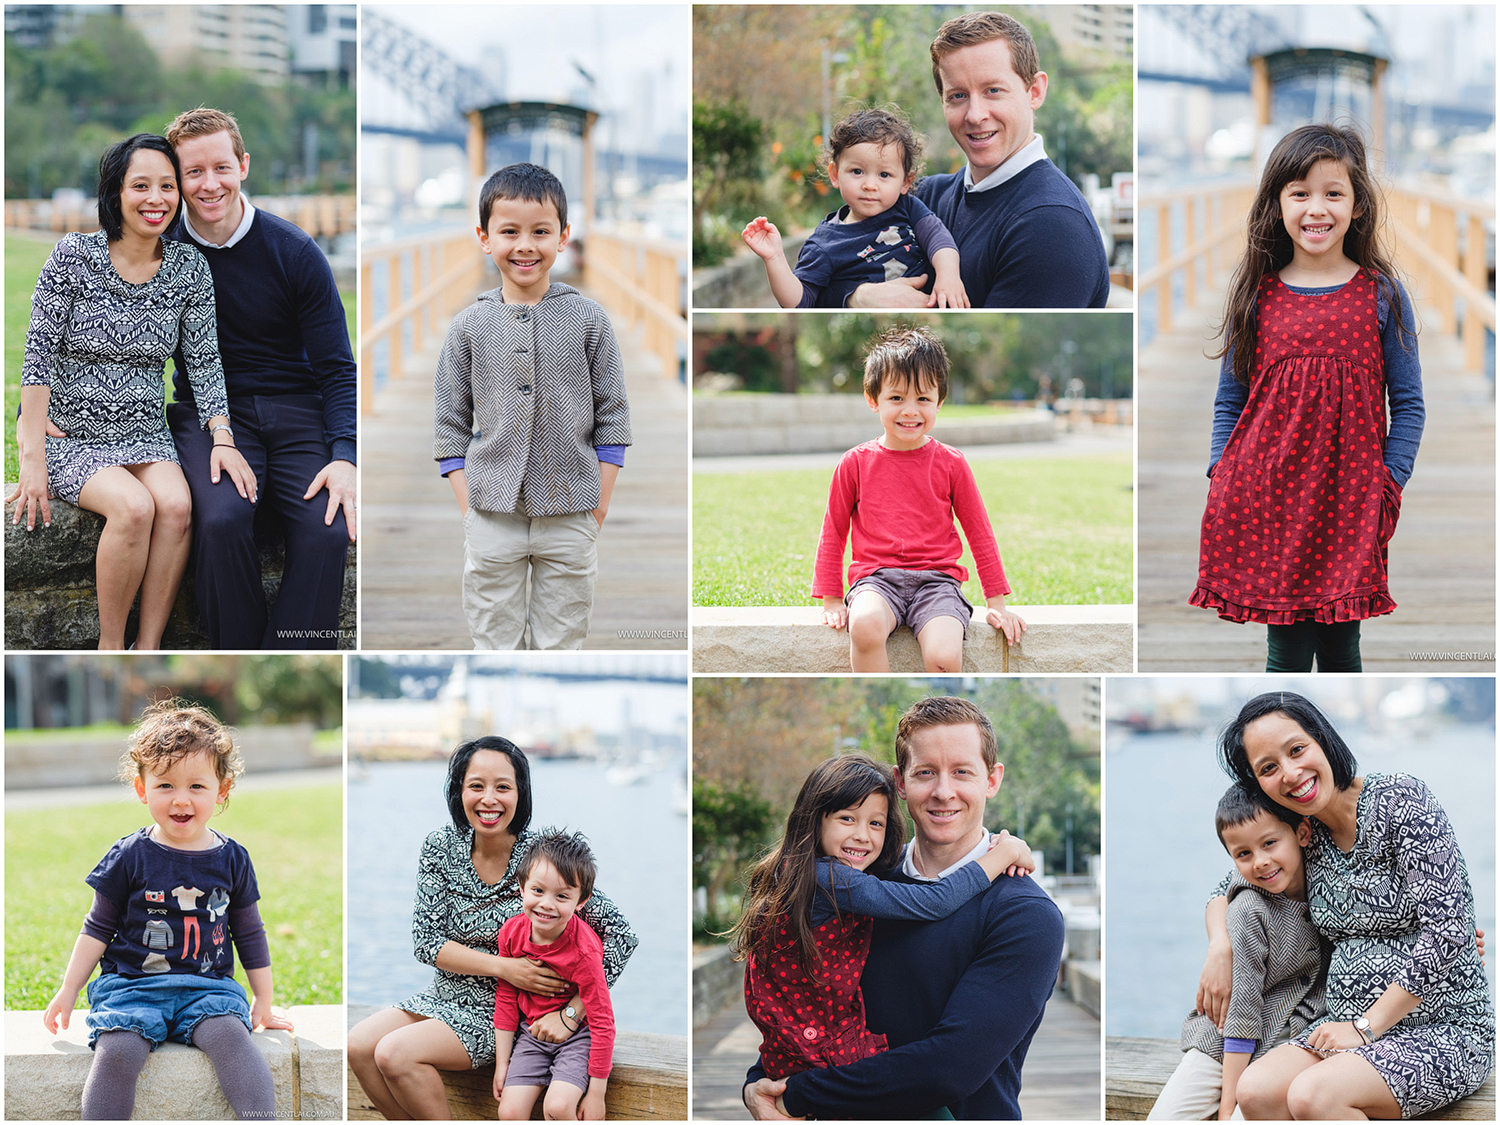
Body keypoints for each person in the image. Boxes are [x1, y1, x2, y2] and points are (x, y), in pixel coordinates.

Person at [744, 696, 1065, 1120]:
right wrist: (759, 1082)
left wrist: (797, 1095)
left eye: (962, 772)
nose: (943, 792)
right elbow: (806, 1000)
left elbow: (947, 1070)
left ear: (992, 779)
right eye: (926, 773)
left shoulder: (1025, 914)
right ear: (900, 782)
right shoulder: (862, 883)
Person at [1189, 124, 1424, 672]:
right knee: (1286, 650)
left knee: (1343, 647)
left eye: (1333, 193)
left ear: (1358, 205)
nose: (1316, 209)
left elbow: (1409, 403)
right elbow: (1231, 399)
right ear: (1276, 204)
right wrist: (1220, 470)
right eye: (1299, 193)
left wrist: (1389, 482)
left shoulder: (1382, 295)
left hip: (1352, 498)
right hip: (1268, 496)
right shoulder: (1258, 293)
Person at [1196, 692, 1491, 1119]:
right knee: (1256, 1091)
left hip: (1442, 1029)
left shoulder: (1399, 800)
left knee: (1312, 1097)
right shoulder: (1302, 833)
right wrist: (1220, 946)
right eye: (1268, 768)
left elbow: (1449, 929)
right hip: (1342, 1029)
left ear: (1323, 739)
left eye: (1297, 750)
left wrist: (1366, 1027)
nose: (1291, 774)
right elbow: (1221, 891)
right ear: (1257, 783)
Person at [9, 134, 249, 651]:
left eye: (167, 186)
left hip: (144, 432)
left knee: (177, 507)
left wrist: (222, 436)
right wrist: (31, 455)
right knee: (135, 508)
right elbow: (37, 356)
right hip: (73, 434)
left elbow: (205, 363)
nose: (156, 199)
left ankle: (149, 643)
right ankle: (112, 646)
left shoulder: (189, 269)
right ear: (115, 193)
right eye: (140, 186)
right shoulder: (74, 256)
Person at [347, 738, 638, 1121]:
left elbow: (621, 936)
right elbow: (427, 942)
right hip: (445, 994)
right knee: (358, 1045)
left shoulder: (542, 858)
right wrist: (506, 966)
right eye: (476, 786)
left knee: (393, 1053)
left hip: (507, 1011)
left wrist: (571, 1013)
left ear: (521, 794)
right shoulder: (440, 847)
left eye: (503, 787)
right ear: (459, 791)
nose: (489, 799)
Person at [162, 107, 357, 650]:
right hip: (210, 414)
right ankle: (241, 652)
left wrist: (344, 456)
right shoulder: (162, 253)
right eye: (192, 173)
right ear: (177, 181)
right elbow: (102, 338)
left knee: (328, 527)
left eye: (221, 167)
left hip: (299, 410)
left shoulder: (294, 251)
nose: (209, 184)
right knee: (222, 520)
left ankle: (293, 651)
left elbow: (338, 368)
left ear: (243, 165)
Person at [41, 701, 293, 1120]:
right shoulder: (129, 856)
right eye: (165, 786)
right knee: (117, 1054)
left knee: (236, 1045)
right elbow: (97, 927)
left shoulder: (232, 859)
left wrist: (264, 998)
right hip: (132, 987)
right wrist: (69, 990)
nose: (181, 800)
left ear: (222, 790)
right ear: (142, 789)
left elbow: (248, 932)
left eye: (197, 786)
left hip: (208, 990)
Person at [732, 753, 1033, 1091]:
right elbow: (933, 902)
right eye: (847, 818)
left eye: (875, 823)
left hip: (797, 1044)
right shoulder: (833, 878)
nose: (862, 836)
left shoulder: (799, 872)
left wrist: (755, 1082)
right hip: (822, 1050)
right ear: (815, 820)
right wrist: (1002, 855)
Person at [434, 163, 633, 650]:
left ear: (563, 237)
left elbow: (614, 414)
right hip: (490, 514)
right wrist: (468, 509)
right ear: (485, 237)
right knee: (492, 639)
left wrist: (599, 505)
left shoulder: (588, 319)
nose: (525, 245)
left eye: (541, 232)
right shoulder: (468, 326)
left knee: (563, 639)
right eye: (509, 232)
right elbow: (449, 423)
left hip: (572, 510)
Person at [847, 12, 1110, 309]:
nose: (975, 115)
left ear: (1034, 91)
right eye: (958, 95)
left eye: (993, 91)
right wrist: (859, 297)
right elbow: (821, 272)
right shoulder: (924, 197)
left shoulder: (1051, 225)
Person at [812, 325, 1026, 673]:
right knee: (864, 626)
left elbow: (979, 532)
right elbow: (833, 531)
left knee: (943, 657)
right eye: (896, 398)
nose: (910, 410)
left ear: (940, 402)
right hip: (876, 581)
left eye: (923, 399)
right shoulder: (854, 463)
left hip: (938, 583)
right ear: (872, 400)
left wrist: (997, 603)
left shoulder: (951, 462)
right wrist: (833, 598)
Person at [1147, 786, 1324, 1121]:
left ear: (1302, 833)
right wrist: (1228, 1104)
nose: (1260, 862)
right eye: (1243, 854)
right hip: (1225, 1042)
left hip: (1291, 1041)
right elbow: (1241, 1014)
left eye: (1270, 843)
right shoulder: (1248, 909)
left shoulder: (1328, 884)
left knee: (1254, 1110)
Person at [740, 107, 968, 309]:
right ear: (835, 174)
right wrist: (775, 258)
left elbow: (939, 239)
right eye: (857, 171)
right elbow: (800, 302)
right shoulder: (825, 244)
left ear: (905, 183)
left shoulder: (907, 207)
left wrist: (949, 277)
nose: (869, 185)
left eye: (884, 175)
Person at [492, 831, 614, 1121]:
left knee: (557, 1108)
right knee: (509, 1112)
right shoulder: (511, 933)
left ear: (581, 901)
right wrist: (501, 1064)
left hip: (578, 1039)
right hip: (530, 1037)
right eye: (538, 891)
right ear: (522, 887)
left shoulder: (583, 951)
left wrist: (597, 1093)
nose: (547, 904)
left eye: (562, 896)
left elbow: (602, 1020)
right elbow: (507, 997)